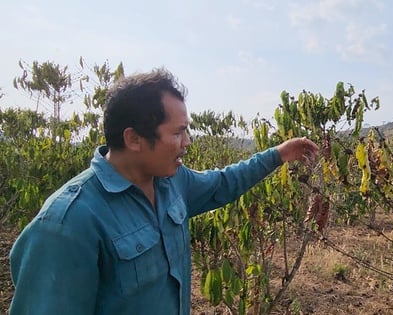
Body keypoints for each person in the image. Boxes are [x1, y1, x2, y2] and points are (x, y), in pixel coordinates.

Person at [9, 68, 319, 315]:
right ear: (134, 138)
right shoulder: (67, 224)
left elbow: (223, 183)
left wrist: (278, 154)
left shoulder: (172, 182)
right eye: (178, 132)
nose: (187, 143)